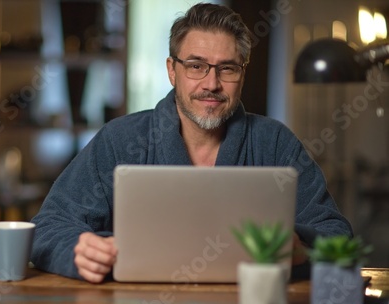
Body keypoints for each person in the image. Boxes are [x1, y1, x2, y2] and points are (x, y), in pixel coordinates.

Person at [30, 3, 352, 283]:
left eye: (227, 68)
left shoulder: (275, 143)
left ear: (242, 73)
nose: (211, 84)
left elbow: (337, 236)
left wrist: (299, 249)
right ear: (173, 71)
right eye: (196, 66)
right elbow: (47, 227)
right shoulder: (120, 140)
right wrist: (78, 249)